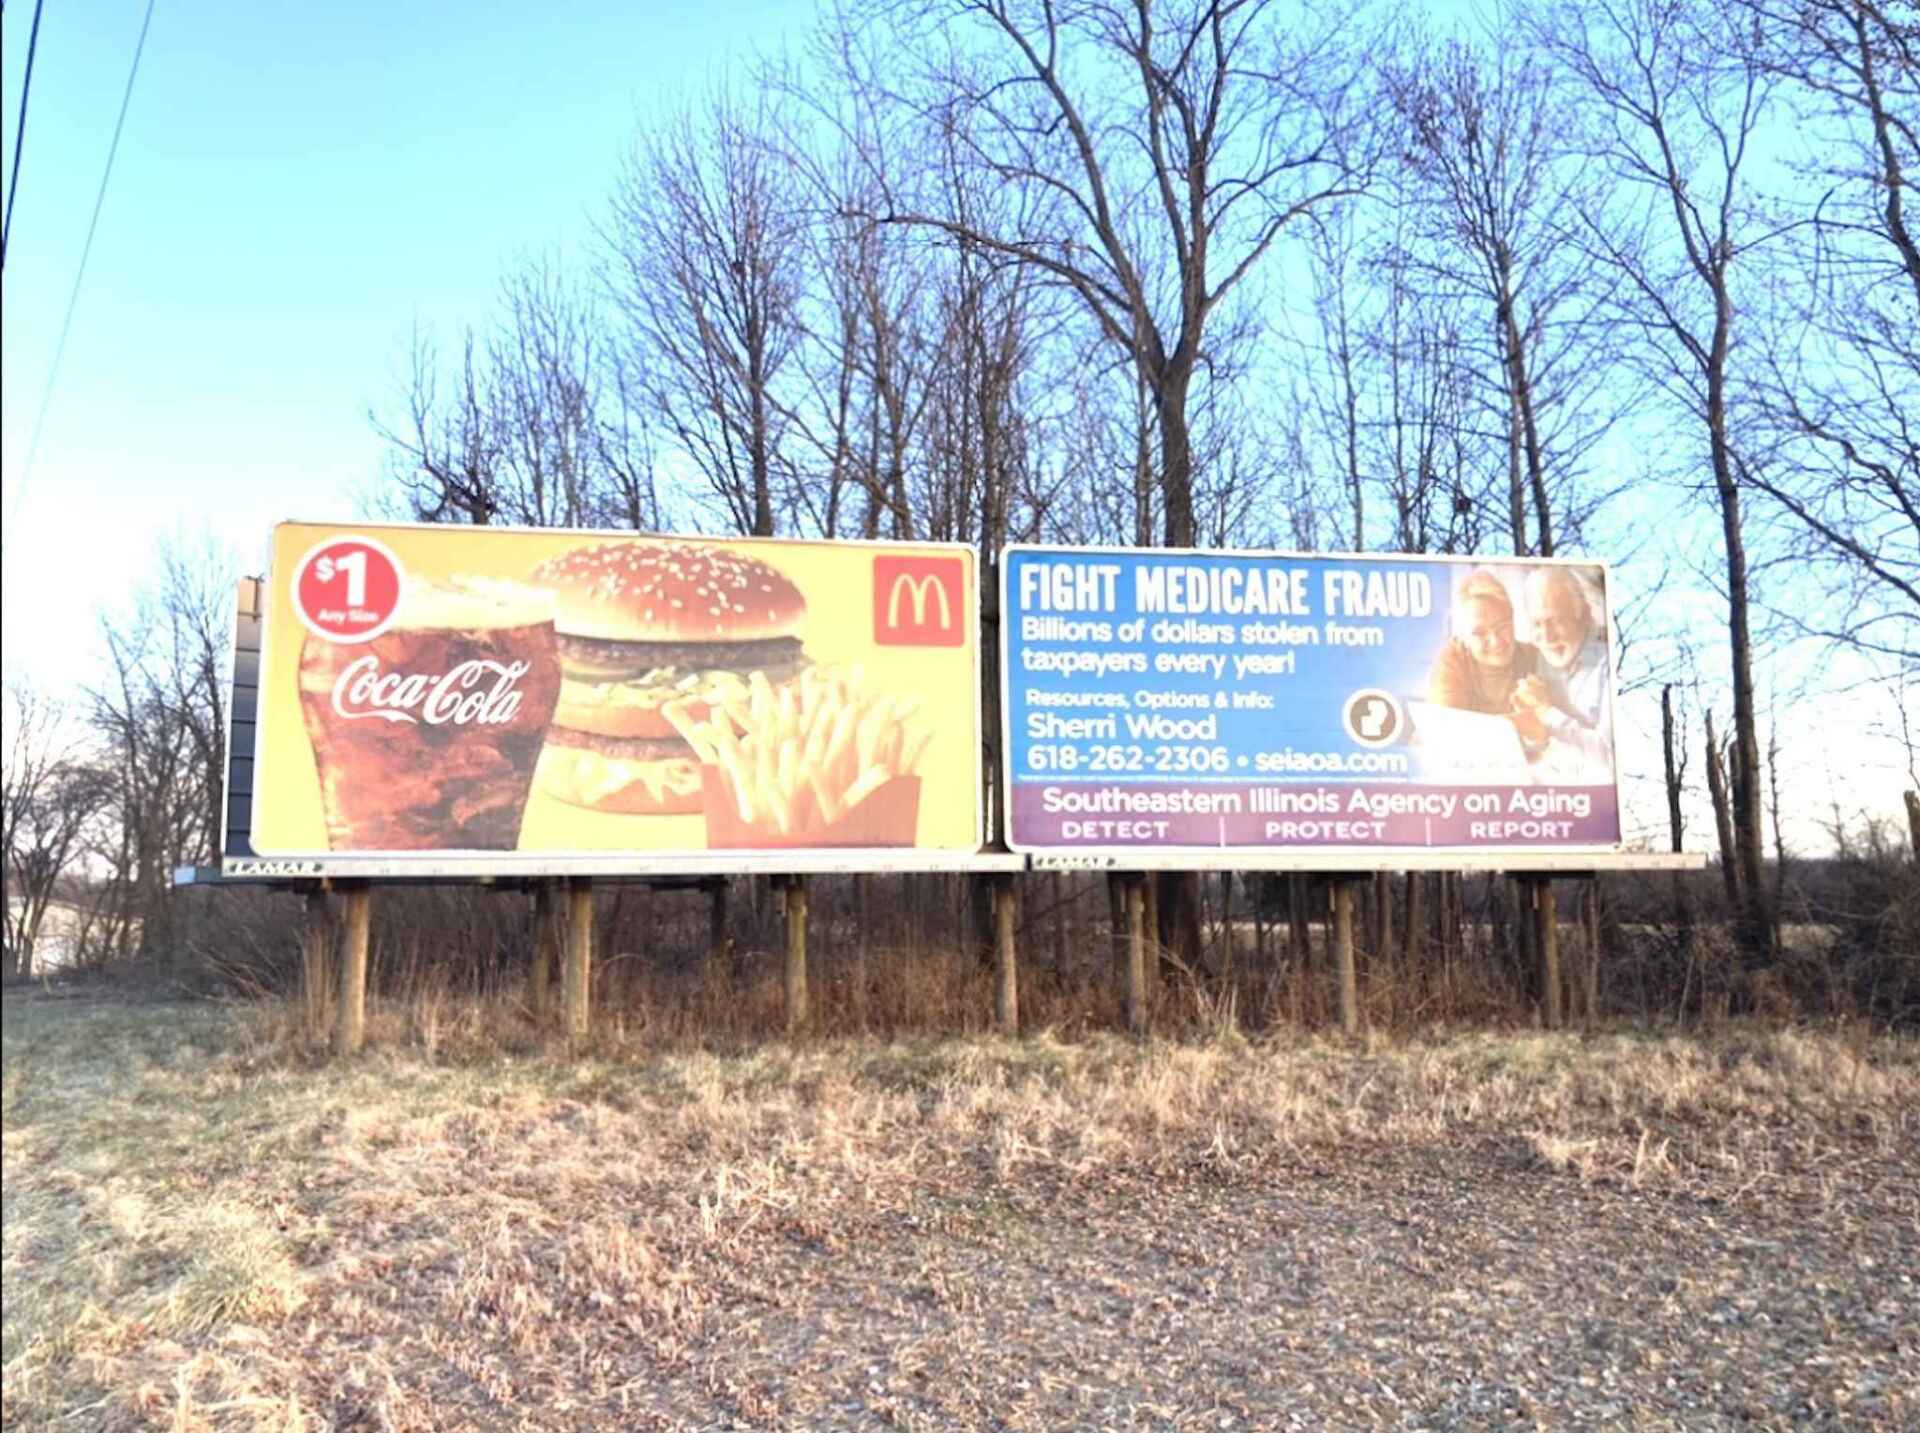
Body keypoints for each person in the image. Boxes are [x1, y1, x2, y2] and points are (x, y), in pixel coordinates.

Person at [1427, 571, 1550, 747]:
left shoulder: (1534, 657)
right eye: (1479, 633)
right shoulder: (1451, 661)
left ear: (1513, 621)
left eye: (1502, 627)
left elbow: (1552, 730)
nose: (1496, 641)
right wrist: (1521, 724)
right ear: (1463, 637)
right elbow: (1447, 732)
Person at [1512, 566, 1613, 778]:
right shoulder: (1537, 660)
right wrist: (1533, 735)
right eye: (1537, 623)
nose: (1546, 636)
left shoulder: (1608, 664)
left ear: (1585, 615)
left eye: (1556, 620)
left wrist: (1546, 711)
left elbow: (1609, 758)